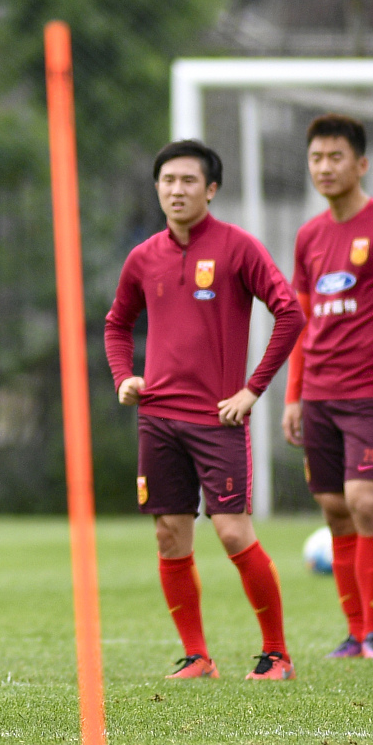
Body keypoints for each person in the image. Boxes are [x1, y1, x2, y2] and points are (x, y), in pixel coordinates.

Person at [105, 140, 305, 681]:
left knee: (233, 532)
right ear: (157, 187)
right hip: (158, 420)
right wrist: (125, 377)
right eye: (168, 180)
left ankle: (277, 654)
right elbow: (117, 323)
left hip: (219, 419)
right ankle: (198, 657)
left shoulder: (239, 248)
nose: (177, 190)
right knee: (169, 534)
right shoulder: (143, 257)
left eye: (189, 180)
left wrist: (252, 390)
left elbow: (289, 313)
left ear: (211, 189)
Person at [282, 114, 373, 660]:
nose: (325, 167)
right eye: (316, 158)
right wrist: (293, 395)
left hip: (369, 394)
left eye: (335, 157)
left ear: (361, 164)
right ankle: (354, 632)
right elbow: (301, 320)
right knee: (334, 509)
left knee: (366, 502)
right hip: (318, 394)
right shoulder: (309, 235)